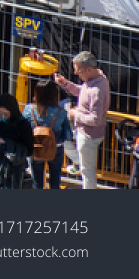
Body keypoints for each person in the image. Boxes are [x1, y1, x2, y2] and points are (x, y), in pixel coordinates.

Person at [54, 49, 110, 190]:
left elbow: (95, 119)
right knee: (63, 140)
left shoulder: (96, 91)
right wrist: (66, 84)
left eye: (78, 70)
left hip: (89, 135)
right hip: (84, 131)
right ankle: (78, 161)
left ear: (89, 69)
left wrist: (75, 114)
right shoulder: (98, 79)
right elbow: (83, 91)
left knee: (87, 171)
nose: (76, 73)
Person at [23, 77, 73, 190]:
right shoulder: (61, 112)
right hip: (55, 149)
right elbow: (68, 136)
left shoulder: (28, 109)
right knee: (55, 182)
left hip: (35, 148)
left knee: (37, 183)